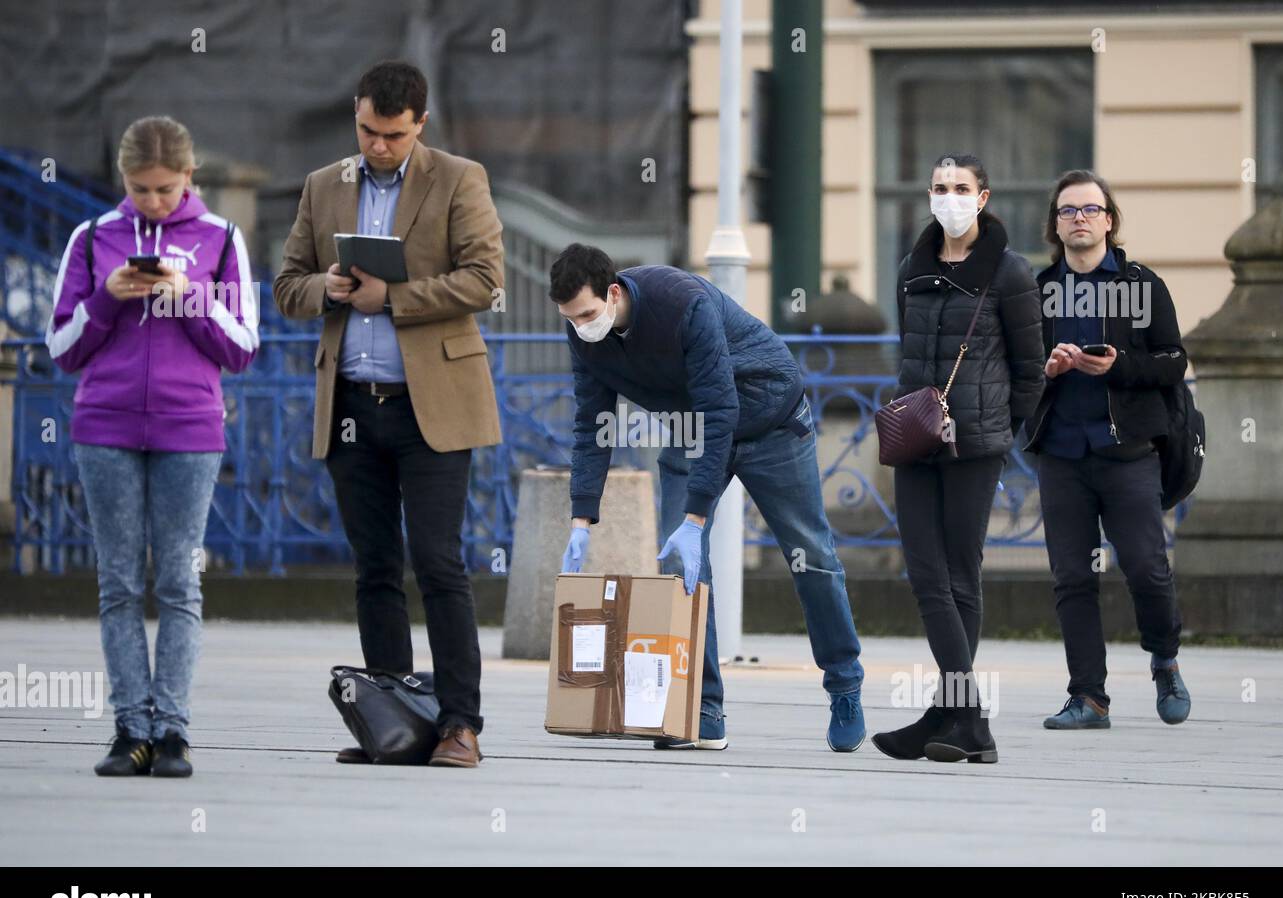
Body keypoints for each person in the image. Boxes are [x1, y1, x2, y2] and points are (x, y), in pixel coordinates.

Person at [273, 61, 504, 769]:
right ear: (356, 114)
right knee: (374, 567)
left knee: (438, 563)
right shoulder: (322, 186)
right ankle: (392, 723)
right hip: (350, 407)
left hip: (431, 406)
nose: (378, 146)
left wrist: (393, 299)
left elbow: (486, 278)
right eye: (369, 131)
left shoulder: (459, 178)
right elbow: (286, 285)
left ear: (421, 125)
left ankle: (461, 725)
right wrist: (330, 288)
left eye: (394, 136)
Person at [551, 244, 865, 753]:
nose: (581, 325)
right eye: (569, 318)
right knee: (681, 568)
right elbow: (593, 424)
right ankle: (703, 709)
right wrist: (581, 517)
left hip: (769, 419)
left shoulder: (681, 302)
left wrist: (696, 517)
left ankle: (845, 688)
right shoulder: (583, 333)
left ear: (612, 293)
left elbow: (720, 407)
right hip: (690, 424)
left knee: (813, 557)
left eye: (587, 314)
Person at [45, 115, 259, 777]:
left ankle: (172, 731)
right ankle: (128, 729)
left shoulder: (222, 239)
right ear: (123, 180)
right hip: (104, 427)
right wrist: (107, 300)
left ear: (190, 177)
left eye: (166, 188)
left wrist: (188, 295)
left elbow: (243, 347)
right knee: (116, 583)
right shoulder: (91, 239)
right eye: (141, 189)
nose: (155, 201)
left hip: (188, 432)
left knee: (176, 582)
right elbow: (61, 348)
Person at [872, 154, 1044, 765]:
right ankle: (961, 716)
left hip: (975, 446)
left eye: (961, 188)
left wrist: (997, 427)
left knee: (959, 575)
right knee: (926, 573)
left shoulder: (1012, 273)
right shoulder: (910, 270)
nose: (949, 197)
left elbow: (1030, 370)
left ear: (983, 196)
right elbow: (908, 354)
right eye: (940, 187)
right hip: (916, 440)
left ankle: (955, 715)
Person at [1024, 169, 1191, 730]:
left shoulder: (1142, 286)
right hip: (1062, 454)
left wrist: (1120, 366)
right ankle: (1088, 698)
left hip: (1128, 452)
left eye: (1090, 210)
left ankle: (1164, 659)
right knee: (1071, 577)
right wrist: (1046, 372)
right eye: (1068, 211)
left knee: (1146, 567)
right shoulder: (1037, 290)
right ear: (1055, 224)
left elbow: (1174, 361)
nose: (1079, 219)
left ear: (1109, 220)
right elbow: (1017, 374)